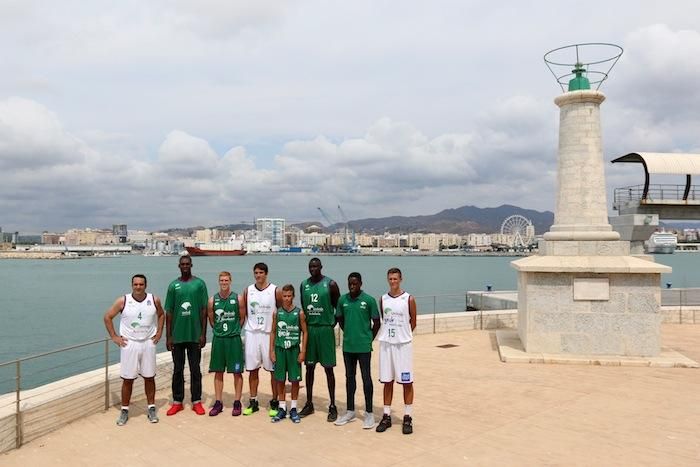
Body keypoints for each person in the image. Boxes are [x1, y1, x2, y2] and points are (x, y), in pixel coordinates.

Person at [103, 274, 165, 426]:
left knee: (149, 377)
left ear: (146, 285)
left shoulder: (154, 300)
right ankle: (124, 410)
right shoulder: (123, 301)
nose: (138, 287)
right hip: (129, 344)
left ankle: (151, 408)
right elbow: (107, 317)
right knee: (128, 379)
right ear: (132, 285)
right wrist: (114, 337)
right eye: (135, 284)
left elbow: (162, 315)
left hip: (148, 343)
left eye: (141, 284)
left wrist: (159, 333)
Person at [334, 272, 381, 429]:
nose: (352, 286)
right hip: (348, 347)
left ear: (361, 283)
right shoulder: (342, 300)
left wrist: (368, 338)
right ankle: (350, 411)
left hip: (364, 347)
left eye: (355, 283)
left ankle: (369, 413)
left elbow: (377, 322)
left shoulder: (369, 300)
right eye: (350, 284)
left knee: (366, 378)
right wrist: (348, 332)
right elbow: (340, 319)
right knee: (349, 378)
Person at [164, 255, 209, 416]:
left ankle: (196, 401)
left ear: (191, 265)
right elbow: (168, 312)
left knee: (195, 369)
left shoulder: (199, 284)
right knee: (177, 370)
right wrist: (168, 336)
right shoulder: (173, 286)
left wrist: (203, 334)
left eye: (187, 264)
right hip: (177, 336)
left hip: (195, 335)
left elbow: (204, 311)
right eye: (182, 264)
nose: (185, 266)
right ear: (179, 266)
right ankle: (177, 401)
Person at [298, 257, 340, 421]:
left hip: (325, 330)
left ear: (321, 267)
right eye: (310, 266)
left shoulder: (330, 284)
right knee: (309, 368)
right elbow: (303, 305)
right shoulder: (304, 285)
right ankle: (309, 403)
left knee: (328, 369)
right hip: (310, 331)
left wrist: (331, 324)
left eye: (316, 266)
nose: (313, 269)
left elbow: (338, 307)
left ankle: (332, 405)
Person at [376, 267, 417, 435]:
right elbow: (384, 320)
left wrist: (403, 336)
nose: (393, 282)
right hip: (387, 345)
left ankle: (407, 416)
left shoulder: (409, 299)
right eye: (390, 279)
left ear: (401, 279)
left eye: (395, 279)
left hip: (403, 346)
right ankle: (386, 415)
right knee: (387, 381)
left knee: (407, 382)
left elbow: (413, 322)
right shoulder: (383, 299)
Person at [239, 263, 282, 416]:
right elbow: (242, 315)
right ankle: (253, 401)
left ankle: (275, 402)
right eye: (256, 272)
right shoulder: (247, 291)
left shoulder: (276, 291)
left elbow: (281, 313)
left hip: (268, 334)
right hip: (251, 334)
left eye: (261, 272)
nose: (258, 275)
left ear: (266, 273)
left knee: (273, 371)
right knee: (252, 370)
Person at [207, 271, 246, 416]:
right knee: (218, 371)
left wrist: (233, 330)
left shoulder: (238, 299)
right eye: (222, 280)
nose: (224, 283)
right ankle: (218, 402)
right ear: (219, 282)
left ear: (230, 281)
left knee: (237, 372)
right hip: (219, 340)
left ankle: (237, 402)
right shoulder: (212, 300)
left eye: (226, 280)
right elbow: (211, 320)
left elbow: (242, 318)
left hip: (234, 339)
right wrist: (220, 331)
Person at [269, 284, 307, 423]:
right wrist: (271, 351)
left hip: (294, 350)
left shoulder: (299, 313)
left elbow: (305, 332)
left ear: (293, 296)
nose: (286, 298)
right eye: (284, 296)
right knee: (280, 380)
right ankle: (282, 407)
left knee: (295, 380)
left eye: (289, 296)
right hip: (280, 350)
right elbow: (273, 332)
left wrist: (303, 351)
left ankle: (294, 408)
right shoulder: (277, 313)